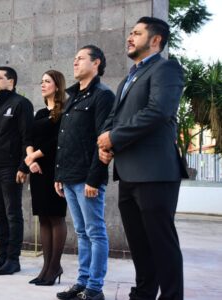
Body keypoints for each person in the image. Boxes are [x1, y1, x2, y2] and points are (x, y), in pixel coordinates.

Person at [97, 17, 188, 300]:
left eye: (137, 33)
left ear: (156, 40)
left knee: (161, 242)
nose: (130, 37)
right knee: (138, 243)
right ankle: (144, 293)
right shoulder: (130, 77)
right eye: (130, 33)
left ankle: (171, 296)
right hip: (127, 172)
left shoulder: (166, 68)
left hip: (155, 171)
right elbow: (114, 118)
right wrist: (106, 142)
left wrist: (114, 137)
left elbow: (157, 112)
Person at [54, 45, 114, 300]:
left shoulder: (102, 95)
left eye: (80, 59)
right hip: (69, 176)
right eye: (74, 58)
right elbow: (65, 138)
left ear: (96, 62)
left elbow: (103, 140)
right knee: (81, 232)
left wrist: (94, 177)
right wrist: (59, 174)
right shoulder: (73, 97)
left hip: (87, 179)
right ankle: (82, 283)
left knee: (95, 232)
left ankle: (94, 288)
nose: (75, 63)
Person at [0, 66, 34, 275]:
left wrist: (23, 166)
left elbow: (27, 137)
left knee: (13, 214)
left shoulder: (21, 104)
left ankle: (13, 259)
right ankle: (2, 257)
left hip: (11, 169)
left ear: (11, 81)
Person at [23, 70, 67, 286]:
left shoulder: (64, 111)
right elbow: (29, 137)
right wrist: (30, 160)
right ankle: (46, 267)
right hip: (37, 170)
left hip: (54, 169)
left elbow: (57, 141)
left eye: (47, 81)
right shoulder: (40, 113)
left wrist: (34, 156)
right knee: (43, 217)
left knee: (56, 217)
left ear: (57, 86)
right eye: (41, 81)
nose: (42, 85)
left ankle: (54, 266)